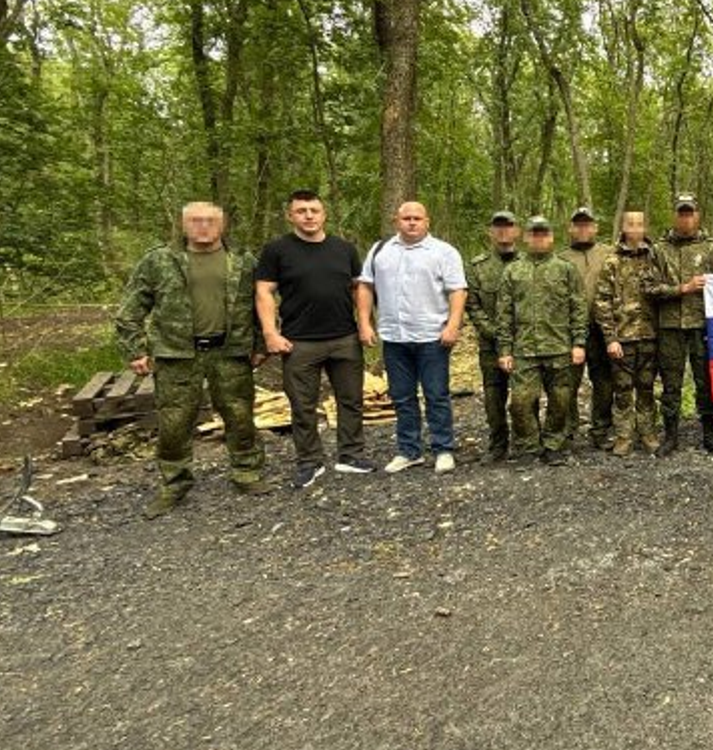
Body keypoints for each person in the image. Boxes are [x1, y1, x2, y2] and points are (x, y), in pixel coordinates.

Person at [114, 202, 271, 518]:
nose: (203, 226)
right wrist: (136, 350)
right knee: (174, 421)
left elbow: (260, 306)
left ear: (222, 224)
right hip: (177, 354)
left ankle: (246, 472)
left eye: (210, 221)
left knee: (240, 415)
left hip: (229, 352)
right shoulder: (159, 261)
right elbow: (130, 309)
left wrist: (259, 343)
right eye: (196, 221)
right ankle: (174, 483)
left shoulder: (242, 261)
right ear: (184, 225)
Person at [255, 190, 374, 490]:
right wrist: (271, 333)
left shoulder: (344, 249)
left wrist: (364, 324)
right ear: (290, 215)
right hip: (299, 341)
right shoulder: (277, 250)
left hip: (344, 337)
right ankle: (310, 461)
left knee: (351, 400)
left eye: (314, 210)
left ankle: (351, 455)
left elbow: (358, 288)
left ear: (324, 214)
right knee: (302, 405)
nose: (308, 216)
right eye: (301, 211)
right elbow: (264, 291)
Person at [357, 201, 467, 475]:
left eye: (418, 218)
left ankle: (443, 448)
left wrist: (453, 325)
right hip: (394, 336)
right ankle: (409, 450)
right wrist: (364, 323)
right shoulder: (380, 251)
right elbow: (366, 286)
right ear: (397, 221)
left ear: (427, 221)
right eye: (406, 218)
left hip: (432, 336)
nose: (412, 222)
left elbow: (457, 291)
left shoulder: (443, 252)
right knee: (402, 396)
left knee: (436, 394)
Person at [497, 216, 588, 466]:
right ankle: (528, 446)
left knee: (561, 401)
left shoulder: (565, 268)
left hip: (559, 347)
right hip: (524, 349)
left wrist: (579, 343)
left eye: (544, 234)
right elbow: (504, 313)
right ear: (526, 237)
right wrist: (505, 349)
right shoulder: (513, 270)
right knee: (520, 402)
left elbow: (578, 308)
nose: (539, 238)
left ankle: (553, 444)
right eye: (534, 234)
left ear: (552, 237)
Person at [647, 193, 713, 455]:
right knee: (671, 383)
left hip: (703, 325)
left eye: (689, 212)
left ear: (697, 214)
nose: (685, 218)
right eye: (681, 213)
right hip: (670, 326)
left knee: (705, 381)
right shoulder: (659, 249)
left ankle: (709, 434)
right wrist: (682, 288)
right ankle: (671, 436)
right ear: (675, 215)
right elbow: (648, 288)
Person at [594, 210, 661, 456]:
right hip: (623, 338)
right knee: (622, 390)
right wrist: (610, 338)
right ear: (623, 228)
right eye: (630, 224)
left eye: (639, 224)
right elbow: (601, 301)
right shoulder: (612, 261)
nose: (635, 228)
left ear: (645, 227)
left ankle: (648, 432)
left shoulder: (655, 257)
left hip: (650, 335)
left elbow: (663, 292)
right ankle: (623, 435)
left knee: (646, 387)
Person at [464, 210, 522, 462]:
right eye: (498, 227)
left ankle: (524, 441)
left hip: (524, 342)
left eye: (508, 226)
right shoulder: (478, 267)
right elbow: (473, 305)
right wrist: (493, 332)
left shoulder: (528, 263)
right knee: (493, 397)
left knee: (523, 397)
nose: (503, 231)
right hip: (491, 344)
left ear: (517, 231)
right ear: (490, 232)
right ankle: (498, 443)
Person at [561, 206, 613, 449]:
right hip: (570, 331)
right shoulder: (561, 259)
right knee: (568, 383)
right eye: (578, 224)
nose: (583, 229)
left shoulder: (609, 254)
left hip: (602, 328)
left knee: (603, 382)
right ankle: (568, 429)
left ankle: (600, 429)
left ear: (595, 227)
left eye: (587, 224)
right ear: (570, 228)